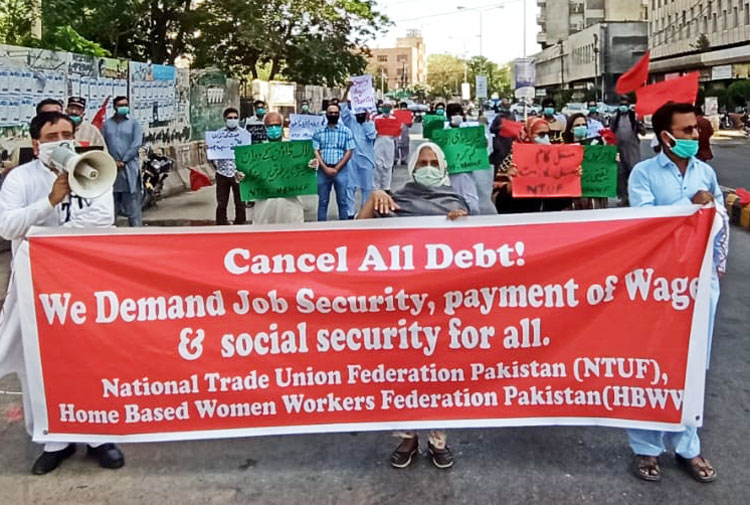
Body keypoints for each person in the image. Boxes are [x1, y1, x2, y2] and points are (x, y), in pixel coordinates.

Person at [0, 112, 124, 475]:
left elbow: (101, 219)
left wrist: (42, 236)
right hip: (34, 287)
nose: (61, 138)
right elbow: (7, 227)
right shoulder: (19, 179)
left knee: (91, 358)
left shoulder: (91, 169)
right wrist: (49, 203)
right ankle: (54, 440)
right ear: (37, 143)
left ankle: (100, 436)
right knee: (40, 362)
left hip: (84, 284)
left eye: (67, 133)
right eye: (52, 134)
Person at [627, 101, 727, 484]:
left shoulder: (706, 172)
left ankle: (688, 446)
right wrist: (690, 203)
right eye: (686, 131)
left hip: (700, 285)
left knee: (692, 367)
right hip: (657, 285)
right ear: (665, 136)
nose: (694, 135)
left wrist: (710, 208)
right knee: (653, 364)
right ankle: (646, 449)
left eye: (696, 129)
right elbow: (646, 223)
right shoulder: (643, 174)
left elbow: (716, 224)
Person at [358, 143, 466, 469]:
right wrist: (370, 202)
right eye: (424, 162)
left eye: (434, 162)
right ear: (413, 167)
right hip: (399, 302)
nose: (429, 167)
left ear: (443, 167)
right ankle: (407, 436)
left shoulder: (455, 202)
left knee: (440, 372)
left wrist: (462, 227)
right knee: (401, 369)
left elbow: (476, 251)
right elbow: (352, 238)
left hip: (441, 303)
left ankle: (437, 439)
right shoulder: (393, 200)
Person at [239, 111, 317, 225]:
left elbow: (305, 172)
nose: (274, 128)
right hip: (264, 210)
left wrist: (312, 165)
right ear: (265, 128)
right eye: (270, 126)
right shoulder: (255, 153)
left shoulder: (295, 150)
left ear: (282, 126)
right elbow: (248, 177)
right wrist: (241, 177)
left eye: (276, 125)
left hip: (290, 208)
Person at [102, 96, 143, 226]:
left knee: (132, 203)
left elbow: (136, 144)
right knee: (111, 203)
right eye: (120, 105)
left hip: (129, 168)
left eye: (126, 104)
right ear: (114, 107)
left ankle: (137, 234)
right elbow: (102, 143)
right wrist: (111, 161)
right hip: (111, 167)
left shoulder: (134, 124)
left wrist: (124, 160)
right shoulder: (107, 125)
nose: (123, 107)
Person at [312, 103, 354, 220]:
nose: (333, 115)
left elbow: (349, 151)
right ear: (326, 114)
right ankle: (321, 228)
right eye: (331, 113)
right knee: (323, 202)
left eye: (336, 113)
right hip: (322, 170)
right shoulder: (319, 132)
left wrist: (337, 168)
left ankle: (344, 228)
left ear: (339, 114)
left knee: (342, 201)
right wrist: (325, 168)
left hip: (341, 170)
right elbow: (316, 151)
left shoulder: (346, 131)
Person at [341, 83, 377, 217]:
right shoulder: (350, 121)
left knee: (367, 188)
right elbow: (343, 107)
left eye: (363, 111)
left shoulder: (370, 124)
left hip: (366, 161)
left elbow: (372, 136)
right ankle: (350, 213)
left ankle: (365, 212)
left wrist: (367, 121)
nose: (360, 114)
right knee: (349, 187)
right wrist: (347, 89)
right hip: (351, 159)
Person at [212, 107, 249, 225]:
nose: (232, 120)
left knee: (240, 201)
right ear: (225, 119)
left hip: (238, 173)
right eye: (230, 118)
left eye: (235, 118)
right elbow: (212, 155)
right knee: (222, 202)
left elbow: (248, 154)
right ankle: (221, 222)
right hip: (222, 172)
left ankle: (240, 222)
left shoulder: (244, 134)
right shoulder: (218, 135)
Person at [562, 113, 608, 209]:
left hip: (594, 195)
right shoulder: (563, 150)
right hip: (572, 198)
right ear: (571, 129)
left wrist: (611, 160)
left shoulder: (595, 147)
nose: (581, 127)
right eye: (577, 125)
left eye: (584, 125)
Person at [443, 103, 481, 215]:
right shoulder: (442, 133)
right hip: (450, 174)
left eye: (459, 113)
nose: (457, 116)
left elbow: (482, 148)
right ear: (448, 116)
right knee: (453, 205)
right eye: (454, 114)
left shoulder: (470, 131)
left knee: (473, 206)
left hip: (467, 173)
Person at [611, 96, 644, 206]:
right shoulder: (615, 116)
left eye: (625, 104)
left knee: (634, 172)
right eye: (621, 104)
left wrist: (639, 123)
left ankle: (635, 197)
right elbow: (611, 131)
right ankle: (623, 197)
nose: (623, 106)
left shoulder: (633, 116)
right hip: (618, 148)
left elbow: (643, 132)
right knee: (620, 173)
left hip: (632, 149)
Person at [372, 102, 398, 191]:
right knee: (377, 164)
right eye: (385, 107)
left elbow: (397, 133)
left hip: (390, 142)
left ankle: (386, 186)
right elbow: (373, 130)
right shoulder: (376, 119)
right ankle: (376, 185)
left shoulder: (394, 119)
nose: (386, 108)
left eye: (388, 107)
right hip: (379, 141)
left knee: (388, 164)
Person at [396, 102, 412, 166]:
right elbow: (410, 124)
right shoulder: (408, 113)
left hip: (400, 131)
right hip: (400, 131)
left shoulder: (396, 113)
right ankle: (403, 159)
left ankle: (398, 159)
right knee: (403, 146)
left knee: (398, 146)